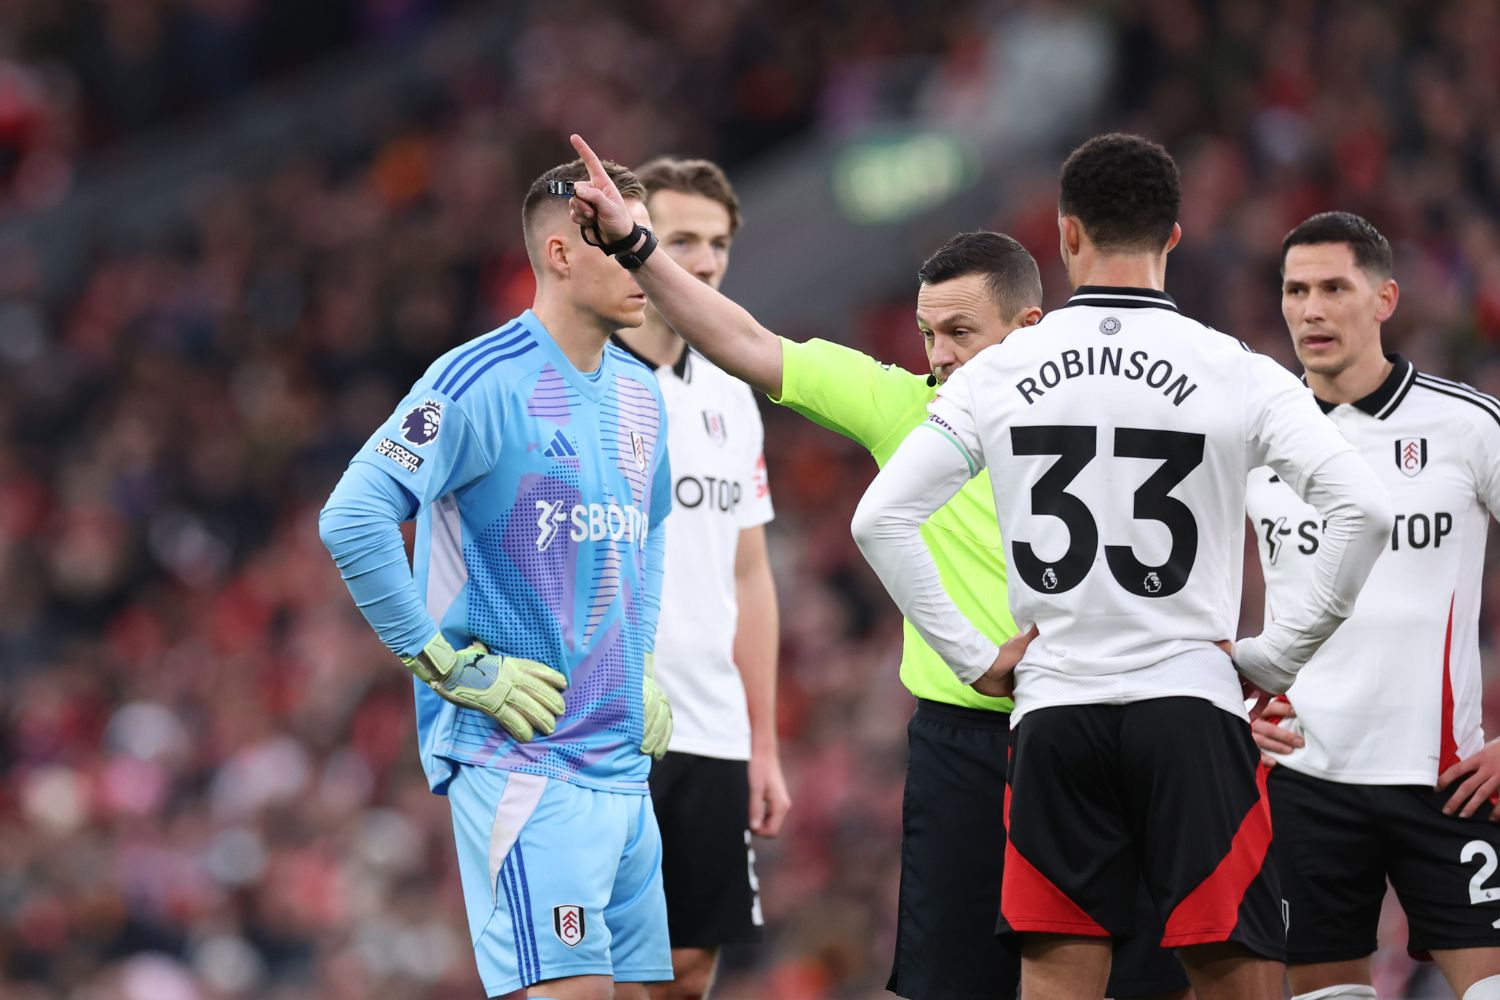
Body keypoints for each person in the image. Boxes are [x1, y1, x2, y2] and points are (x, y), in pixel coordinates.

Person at [560, 134, 1191, 1000]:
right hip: (965, 741)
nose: (938, 356)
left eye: (961, 333)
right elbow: (743, 339)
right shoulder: (905, 408)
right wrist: (638, 247)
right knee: (945, 983)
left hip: (1100, 725)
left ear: (1029, 328)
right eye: (929, 333)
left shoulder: (1120, 409)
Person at [848, 133, 1395, 1000]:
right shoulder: (1237, 370)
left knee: (1059, 978)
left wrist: (973, 658)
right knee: (1233, 974)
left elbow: (881, 518)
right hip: (1189, 706)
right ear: (1174, 237)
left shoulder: (999, 372)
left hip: (1055, 712)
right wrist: (1273, 656)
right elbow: (1364, 511)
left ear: (1066, 236)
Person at [318, 157, 674, 1000]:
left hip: (624, 771)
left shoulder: (640, 392)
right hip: (525, 763)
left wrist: (645, 661)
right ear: (558, 253)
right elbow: (353, 517)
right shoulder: (473, 381)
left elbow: (648, 533)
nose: (645, 262)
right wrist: (448, 666)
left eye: (643, 241)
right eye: (621, 243)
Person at [1247, 212, 1500, 1000]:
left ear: (1385, 298)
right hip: (1307, 777)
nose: (1311, 310)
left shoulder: (1465, 427)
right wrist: (1232, 697)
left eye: (1334, 288)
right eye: (1295, 291)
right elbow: (1190, 590)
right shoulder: (1251, 438)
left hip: (1447, 777)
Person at [612, 157, 787, 1000]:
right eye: (681, 239)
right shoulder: (576, 381)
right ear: (628, 240)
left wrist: (764, 741)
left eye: (716, 243)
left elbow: (749, 577)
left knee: (688, 969)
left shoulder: (733, 390)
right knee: (592, 969)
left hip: (710, 728)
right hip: (600, 726)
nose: (706, 261)